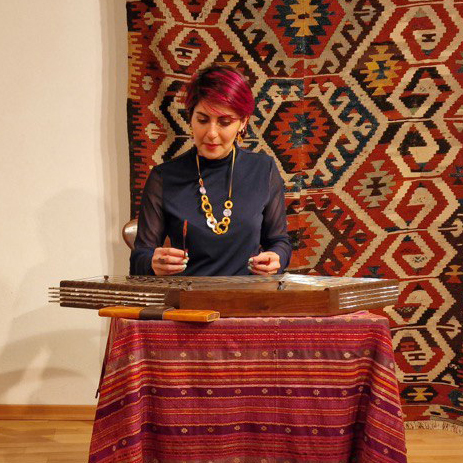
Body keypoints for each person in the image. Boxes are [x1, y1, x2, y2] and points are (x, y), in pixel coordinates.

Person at [130, 65, 292, 276]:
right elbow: (139, 258)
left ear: (243, 123)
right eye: (202, 120)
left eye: (224, 122)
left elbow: (279, 241)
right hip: (187, 296)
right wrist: (152, 263)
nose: (212, 133)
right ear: (190, 118)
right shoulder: (164, 177)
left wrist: (277, 257)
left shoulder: (263, 169)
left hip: (249, 294)